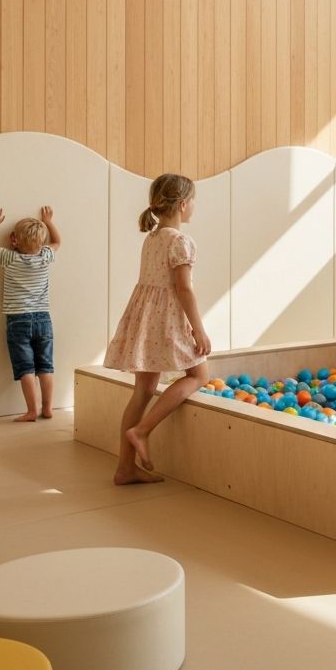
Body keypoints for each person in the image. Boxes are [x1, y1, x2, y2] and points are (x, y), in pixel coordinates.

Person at [104, 174, 211, 485]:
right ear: (182, 204)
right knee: (199, 376)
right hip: (166, 321)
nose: (194, 207)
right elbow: (184, 289)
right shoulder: (180, 241)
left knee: (144, 390)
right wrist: (199, 330)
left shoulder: (152, 238)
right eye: (193, 201)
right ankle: (142, 430)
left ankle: (125, 468)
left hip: (145, 319)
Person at [0, 206, 62, 422]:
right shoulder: (45, 256)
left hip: (18, 320)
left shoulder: (10, 258)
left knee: (25, 366)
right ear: (41, 243)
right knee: (45, 365)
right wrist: (48, 221)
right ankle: (48, 408)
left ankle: (32, 410)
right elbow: (57, 242)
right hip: (43, 318)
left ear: (14, 240)